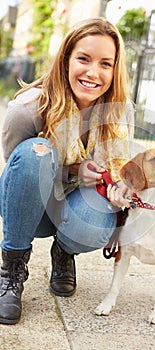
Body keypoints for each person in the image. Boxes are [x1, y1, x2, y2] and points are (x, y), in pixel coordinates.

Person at [0, 17, 135, 325]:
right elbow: (20, 174)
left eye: (105, 63)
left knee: (98, 220)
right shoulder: (28, 108)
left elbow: (118, 171)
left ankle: (63, 251)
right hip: (31, 207)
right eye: (83, 59)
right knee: (38, 153)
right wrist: (71, 171)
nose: (93, 73)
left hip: (74, 204)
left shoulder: (119, 115)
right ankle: (11, 271)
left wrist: (111, 188)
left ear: (115, 70)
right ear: (66, 61)